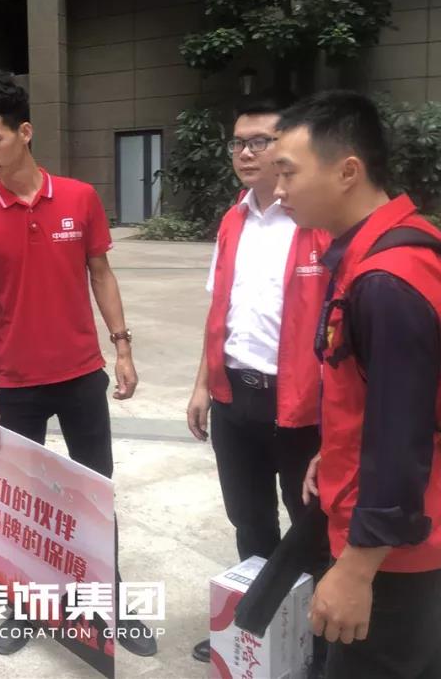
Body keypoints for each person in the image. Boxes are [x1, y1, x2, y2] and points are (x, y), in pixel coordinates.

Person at [272, 91, 441, 679]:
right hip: (434, 525)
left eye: (288, 172)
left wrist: (357, 570)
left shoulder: (388, 280)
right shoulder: (402, 246)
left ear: (347, 171)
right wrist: (335, 454)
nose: (278, 188)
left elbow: (401, 438)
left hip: (399, 553)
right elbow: (390, 397)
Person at [0, 70, 156, 658]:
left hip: (81, 375)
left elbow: (101, 274)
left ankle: (108, 599)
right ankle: (25, 602)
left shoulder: (79, 198)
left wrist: (121, 346)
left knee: (96, 494)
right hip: (17, 384)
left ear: (25, 131)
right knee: (22, 501)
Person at [187, 94, 330, 666]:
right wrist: (202, 385)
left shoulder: (316, 223)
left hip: (301, 407)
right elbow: (218, 310)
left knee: (312, 530)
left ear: (288, 146)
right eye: (238, 143)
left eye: (260, 142)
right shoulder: (233, 220)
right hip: (234, 399)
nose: (246, 153)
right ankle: (257, 635)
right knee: (249, 523)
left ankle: (316, 647)